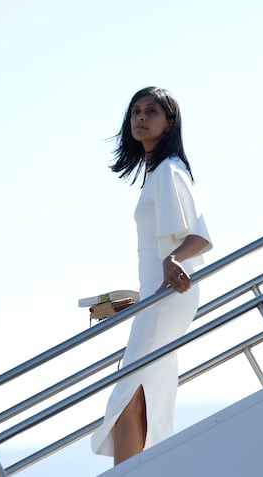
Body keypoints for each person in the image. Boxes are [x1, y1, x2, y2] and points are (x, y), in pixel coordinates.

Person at [90, 86, 212, 464]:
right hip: (156, 298)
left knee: (130, 392)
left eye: (151, 112)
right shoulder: (157, 172)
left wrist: (173, 260)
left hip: (168, 296)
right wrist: (132, 300)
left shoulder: (169, 171)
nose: (140, 118)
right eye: (135, 112)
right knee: (145, 392)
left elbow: (200, 237)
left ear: (169, 121)